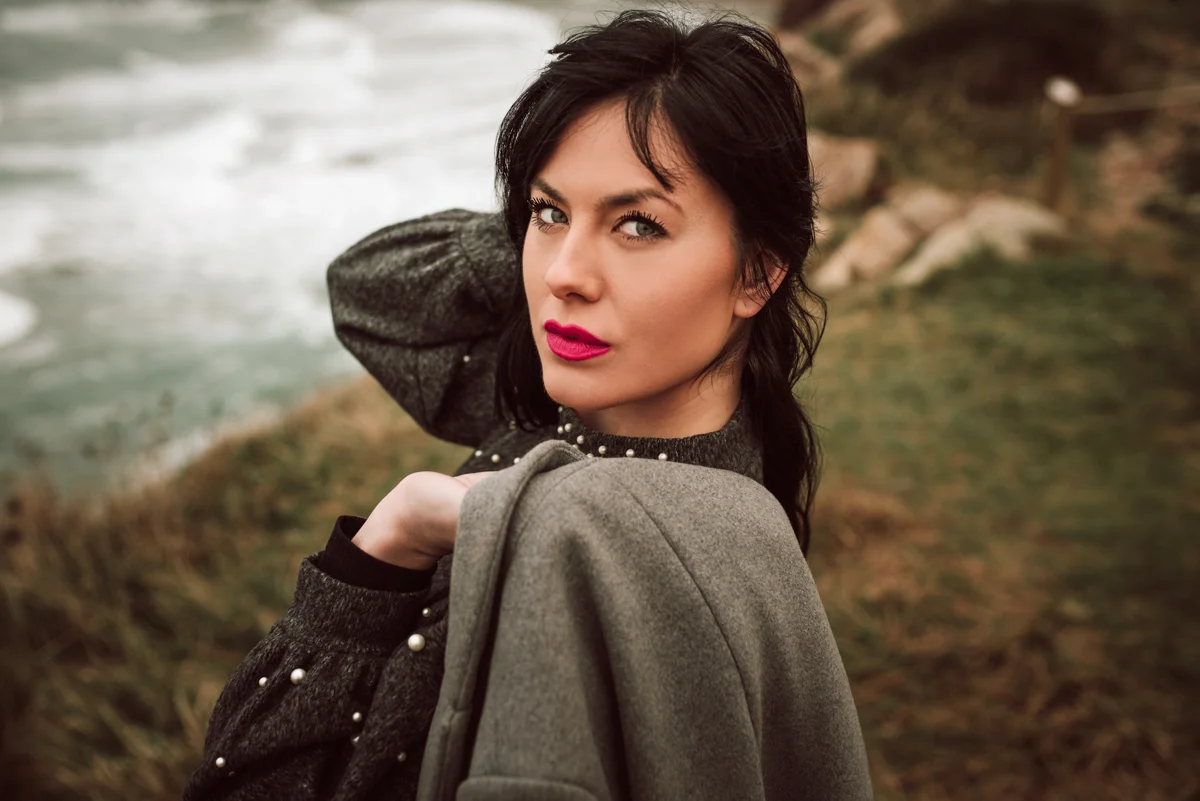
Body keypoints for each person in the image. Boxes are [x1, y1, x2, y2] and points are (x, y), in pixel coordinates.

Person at [184, 9, 872, 801]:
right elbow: (367, 288)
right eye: (548, 215)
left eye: (640, 224)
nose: (562, 275)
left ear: (758, 272)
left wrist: (388, 546)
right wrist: (571, 207)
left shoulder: (594, 550)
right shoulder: (586, 413)